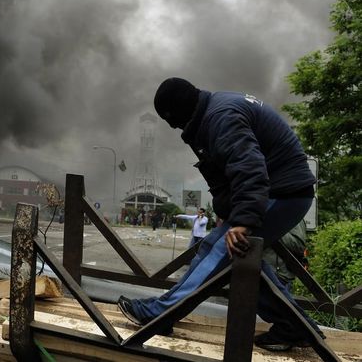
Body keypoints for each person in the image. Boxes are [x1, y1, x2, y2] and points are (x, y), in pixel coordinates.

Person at [117, 77, 324, 352]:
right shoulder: (212, 113)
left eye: (173, 121)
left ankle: (160, 313)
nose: (174, 128)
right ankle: (294, 325)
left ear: (178, 112)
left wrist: (243, 221)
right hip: (273, 191)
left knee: (222, 253)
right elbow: (226, 179)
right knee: (228, 256)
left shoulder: (220, 117)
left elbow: (249, 169)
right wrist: (231, 216)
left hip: (284, 193)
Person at [263, 220, 308, 292]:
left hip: (278, 276)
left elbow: (299, 245)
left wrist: (273, 227)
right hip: (257, 272)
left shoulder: (292, 213)